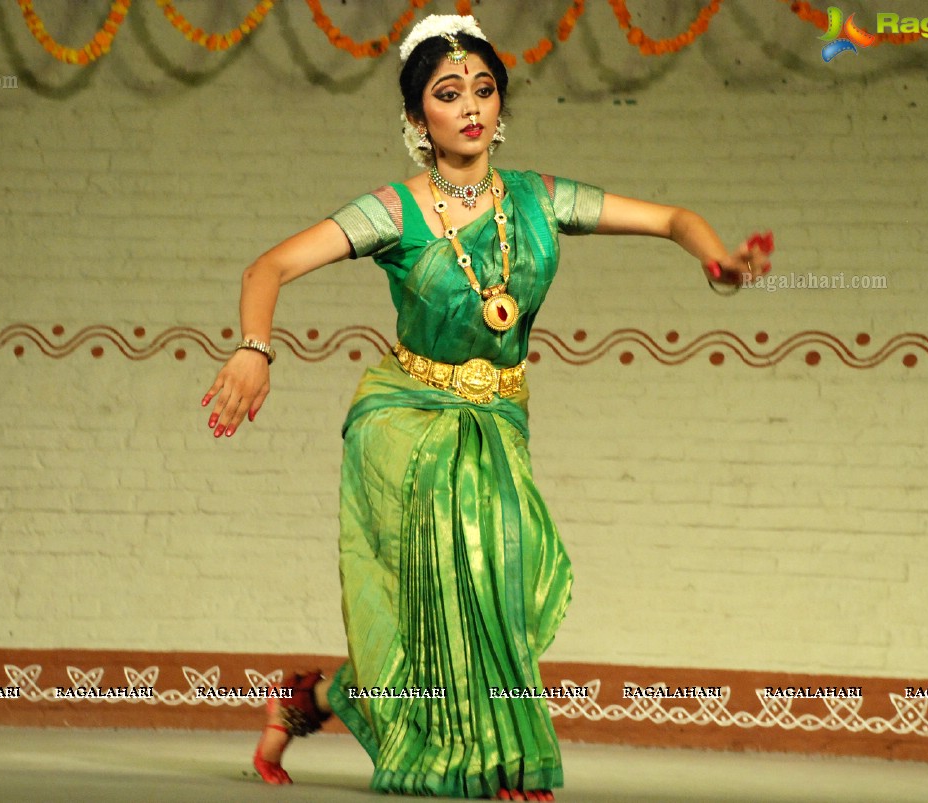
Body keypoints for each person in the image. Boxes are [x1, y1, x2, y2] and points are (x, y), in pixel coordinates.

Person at [200, 14, 772, 801]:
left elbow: (673, 219)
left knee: (501, 576)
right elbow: (269, 266)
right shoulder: (393, 212)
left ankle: (313, 698)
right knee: (466, 568)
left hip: (498, 418)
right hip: (406, 418)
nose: (470, 106)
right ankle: (504, 762)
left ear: (500, 106)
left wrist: (718, 261)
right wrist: (253, 348)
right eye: (447, 93)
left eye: (484, 89)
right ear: (415, 118)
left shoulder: (538, 199)